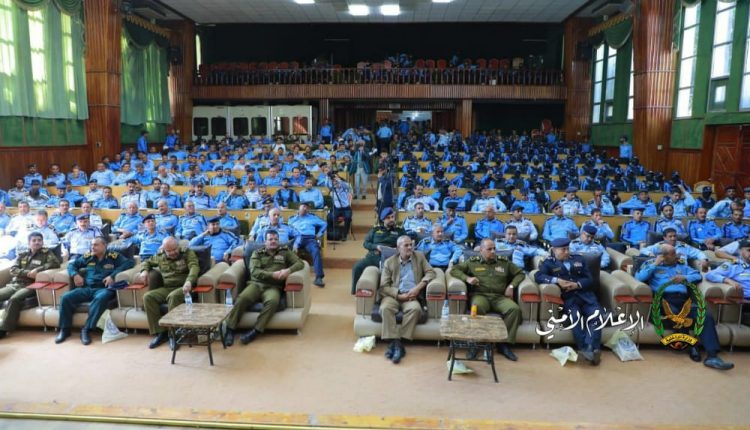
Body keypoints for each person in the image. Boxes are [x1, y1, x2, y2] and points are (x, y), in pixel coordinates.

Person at [635, 244, 734, 370]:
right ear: (663, 255)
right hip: (663, 299)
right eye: (673, 253)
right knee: (676, 315)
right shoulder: (651, 264)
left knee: (706, 316)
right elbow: (639, 277)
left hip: (684, 300)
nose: (677, 255)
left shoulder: (682, 266)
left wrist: (685, 277)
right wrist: (655, 264)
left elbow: (698, 275)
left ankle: (712, 356)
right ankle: (692, 346)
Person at [224, 230, 305, 347]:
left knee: (273, 302)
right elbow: (255, 272)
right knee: (242, 299)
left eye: (275, 239)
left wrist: (288, 270)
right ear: (265, 241)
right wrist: (272, 275)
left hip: (274, 287)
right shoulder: (257, 253)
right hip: (256, 284)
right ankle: (230, 329)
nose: (273, 241)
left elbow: (300, 263)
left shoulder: (285, 252)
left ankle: (255, 331)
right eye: (270, 239)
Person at [451, 238, 525, 361]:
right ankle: (476, 343)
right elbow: (454, 270)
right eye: (489, 249)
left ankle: (503, 344)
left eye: (494, 248)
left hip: (499, 297)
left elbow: (520, 273)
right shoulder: (472, 262)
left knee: (514, 309)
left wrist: (511, 286)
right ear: (481, 250)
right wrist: (467, 278)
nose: (493, 251)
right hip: (480, 295)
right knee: (477, 307)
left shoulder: (504, 262)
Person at [535, 238, 606, 365]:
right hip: (569, 299)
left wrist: (577, 284)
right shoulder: (549, 263)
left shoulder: (579, 259)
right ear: (554, 250)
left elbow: (590, 279)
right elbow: (538, 276)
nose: (567, 252)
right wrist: (557, 280)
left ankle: (588, 348)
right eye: (563, 249)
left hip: (586, 296)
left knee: (597, 316)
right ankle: (589, 349)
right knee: (575, 317)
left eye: (568, 249)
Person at [56, 237, 133, 345]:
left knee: (100, 298)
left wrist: (113, 275)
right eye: (91, 245)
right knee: (66, 297)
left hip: (103, 289)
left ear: (104, 245)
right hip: (87, 288)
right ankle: (65, 329)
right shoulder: (88, 257)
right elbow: (72, 265)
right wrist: (75, 275)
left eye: (96, 245)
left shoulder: (113, 256)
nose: (92, 247)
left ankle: (86, 329)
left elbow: (129, 263)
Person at [377, 235, 435, 363]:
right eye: (406, 245)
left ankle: (399, 342)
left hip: (411, 295)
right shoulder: (389, 262)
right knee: (385, 308)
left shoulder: (419, 257)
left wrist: (418, 288)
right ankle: (396, 344)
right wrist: (398, 295)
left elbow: (431, 272)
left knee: (415, 309)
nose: (410, 247)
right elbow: (384, 286)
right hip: (394, 295)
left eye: (411, 245)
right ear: (398, 248)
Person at [136, 237, 201, 349]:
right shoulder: (160, 256)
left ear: (178, 246)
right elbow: (146, 262)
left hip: (185, 288)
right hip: (168, 287)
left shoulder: (187, 252)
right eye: (169, 251)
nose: (172, 253)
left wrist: (189, 281)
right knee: (148, 297)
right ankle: (160, 333)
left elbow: (194, 267)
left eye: (174, 249)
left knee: (173, 296)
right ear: (164, 249)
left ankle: (174, 334)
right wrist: (144, 271)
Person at [0, 232, 61, 339]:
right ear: (29, 243)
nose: (37, 242)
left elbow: (55, 263)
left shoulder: (47, 253)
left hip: (31, 285)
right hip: (15, 284)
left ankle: (4, 329)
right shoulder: (23, 254)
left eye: (39, 240)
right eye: (34, 240)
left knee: (15, 299)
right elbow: (13, 269)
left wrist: (38, 269)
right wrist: (27, 273)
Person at [351, 207, 406, 294]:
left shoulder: (399, 230)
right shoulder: (376, 229)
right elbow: (366, 243)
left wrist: (398, 248)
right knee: (357, 267)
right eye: (388, 218)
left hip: (390, 257)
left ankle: (383, 294)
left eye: (392, 217)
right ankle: (355, 292)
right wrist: (376, 246)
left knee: (386, 273)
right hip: (374, 256)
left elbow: (406, 242)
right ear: (383, 219)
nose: (391, 219)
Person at [288, 201, 327, 287]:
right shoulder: (292, 219)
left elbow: (324, 224)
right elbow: (289, 230)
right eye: (304, 206)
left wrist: (319, 234)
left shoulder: (313, 217)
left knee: (316, 250)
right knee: (285, 249)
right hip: (296, 239)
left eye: (307, 207)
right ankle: (287, 274)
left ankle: (318, 277)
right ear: (299, 207)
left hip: (309, 239)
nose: (305, 209)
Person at [641, 227, 709, 271]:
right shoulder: (659, 246)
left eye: (674, 236)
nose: (673, 238)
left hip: (683, 271)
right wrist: (650, 254)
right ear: (664, 238)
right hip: (666, 271)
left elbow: (698, 252)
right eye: (670, 236)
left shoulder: (683, 246)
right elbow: (643, 250)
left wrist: (703, 259)